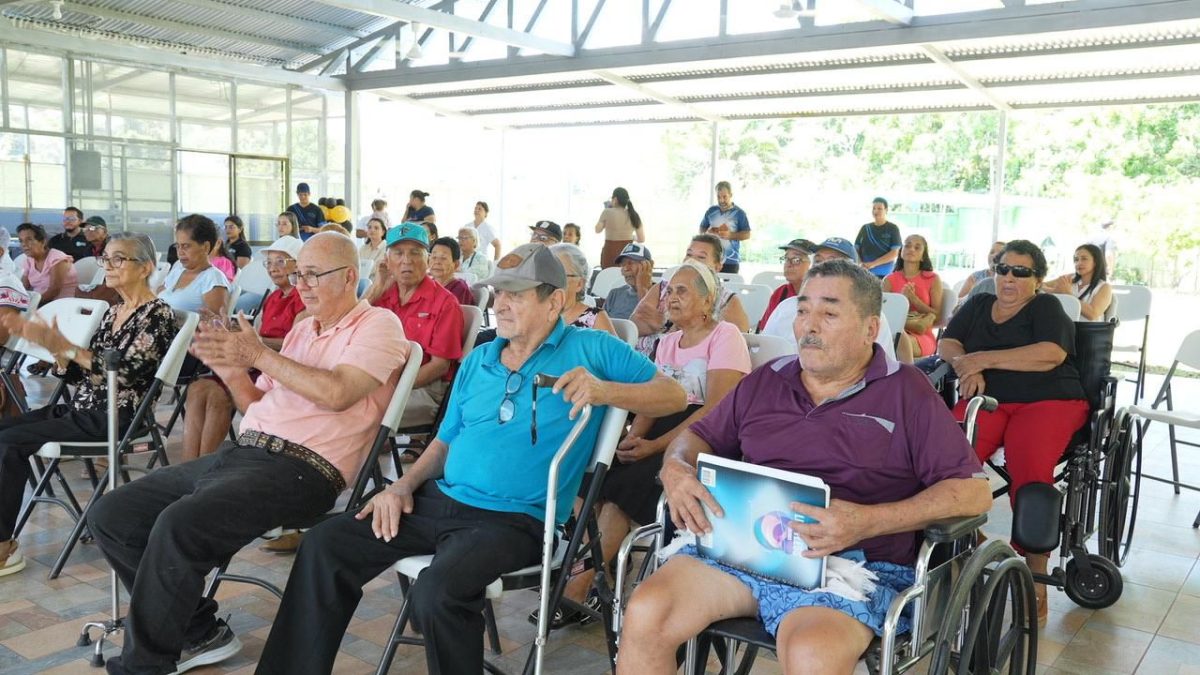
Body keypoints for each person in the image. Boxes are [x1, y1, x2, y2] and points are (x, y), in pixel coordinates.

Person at [256, 242, 686, 675]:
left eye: (515, 295)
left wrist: (605, 391)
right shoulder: (481, 356)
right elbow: (444, 442)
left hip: (515, 518)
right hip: (439, 500)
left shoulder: (593, 348)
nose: (500, 305)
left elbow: (673, 394)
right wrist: (402, 486)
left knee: (437, 591)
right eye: (498, 294)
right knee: (324, 545)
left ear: (554, 300)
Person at [617, 259, 992, 675]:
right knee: (647, 612)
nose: (808, 326)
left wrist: (867, 521)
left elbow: (972, 491)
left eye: (829, 313)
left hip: (850, 565)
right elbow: (697, 436)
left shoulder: (907, 392)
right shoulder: (767, 380)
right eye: (802, 310)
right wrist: (675, 468)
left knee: (812, 653)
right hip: (747, 547)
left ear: (870, 329)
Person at [87, 233, 408, 675]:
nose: (302, 285)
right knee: (113, 513)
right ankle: (199, 631)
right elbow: (257, 407)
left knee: (180, 525)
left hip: (305, 469)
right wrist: (234, 371)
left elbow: (338, 393)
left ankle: (144, 666)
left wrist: (258, 352)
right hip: (248, 452)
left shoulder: (378, 325)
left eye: (313, 274)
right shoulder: (301, 328)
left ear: (350, 276)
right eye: (299, 275)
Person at [546, 261, 751, 628]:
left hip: (704, 440)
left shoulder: (726, 335)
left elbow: (715, 410)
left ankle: (573, 590)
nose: (670, 297)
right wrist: (634, 437)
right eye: (669, 290)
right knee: (598, 474)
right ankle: (597, 578)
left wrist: (654, 446)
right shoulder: (668, 341)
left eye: (682, 291)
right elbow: (652, 401)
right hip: (660, 435)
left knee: (625, 492)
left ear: (708, 302)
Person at [0, 233, 176, 578]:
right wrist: (59, 354)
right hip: (82, 409)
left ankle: (3, 544)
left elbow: (123, 375)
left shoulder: (158, 315)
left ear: (146, 267)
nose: (108, 266)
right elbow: (82, 374)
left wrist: (66, 347)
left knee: (9, 444)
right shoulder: (113, 313)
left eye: (118, 259)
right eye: (105, 259)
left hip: (115, 416)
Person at [938, 239, 1089, 626]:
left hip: (1049, 400)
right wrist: (966, 367)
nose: (1009, 278)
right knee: (944, 458)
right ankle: (974, 543)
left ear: (1037, 279)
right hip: (990, 400)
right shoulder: (976, 305)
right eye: (1002, 269)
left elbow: (1050, 354)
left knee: (1029, 466)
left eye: (1021, 272)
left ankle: (1035, 574)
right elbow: (949, 342)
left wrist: (983, 359)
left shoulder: (1045, 307)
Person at [181, 236, 307, 463]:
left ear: (297, 265)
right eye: (269, 263)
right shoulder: (275, 296)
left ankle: (202, 467)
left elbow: (293, 345)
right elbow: (257, 334)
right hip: (252, 362)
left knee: (218, 395)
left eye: (280, 261)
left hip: (276, 370)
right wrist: (227, 328)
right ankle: (188, 466)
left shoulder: (304, 297)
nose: (272, 268)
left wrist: (248, 342)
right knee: (198, 388)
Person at [363, 223, 464, 433]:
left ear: (427, 259)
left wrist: (392, 386)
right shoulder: (383, 295)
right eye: (398, 253)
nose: (406, 260)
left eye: (415, 253)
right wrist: (376, 288)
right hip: (377, 381)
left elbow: (440, 366)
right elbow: (347, 325)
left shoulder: (445, 302)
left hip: (423, 388)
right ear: (387, 260)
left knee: (358, 411)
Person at [630, 234, 750, 348]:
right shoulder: (663, 288)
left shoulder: (726, 300)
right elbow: (633, 327)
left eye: (701, 257)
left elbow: (736, 343)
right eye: (689, 254)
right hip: (646, 355)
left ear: (717, 266)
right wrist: (653, 325)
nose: (691, 260)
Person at [157, 215, 230, 318]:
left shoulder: (213, 280)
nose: (180, 252)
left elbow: (217, 326)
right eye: (178, 246)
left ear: (205, 247)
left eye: (186, 246)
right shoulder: (178, 271)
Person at [883, 234, 944, 358]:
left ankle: (905, 377)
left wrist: (914, 299)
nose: (911, 249)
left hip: (922, 336)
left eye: (917, 247)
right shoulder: (889, 280)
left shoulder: (933, 279)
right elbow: (882, 312)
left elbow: (937, 316)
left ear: (923, 256)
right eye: (907, 246)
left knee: (896, 342)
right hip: (892, 331)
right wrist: (901, 301)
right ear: (901, 252)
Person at [551, 243, 615, 335]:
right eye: (546, 274)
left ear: (579, 284)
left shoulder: (594, 319)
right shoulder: (538, 314)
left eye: (560, 275)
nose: (550, 280)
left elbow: (615, 349)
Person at [1042, 243, 1112, 322]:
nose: (1078, 263)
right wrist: (1053, 291)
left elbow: (1093, 314)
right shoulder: (1069, 278)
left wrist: (1068, 294)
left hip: (1087, 332)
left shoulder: (1104, 287)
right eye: (1076, 259)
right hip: (1064, 328)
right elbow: (1041, 285)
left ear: (1095, 262)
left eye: (1084, 259)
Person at [758, 238, 814, 333]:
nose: (788, 264)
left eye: (796, 260)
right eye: (786, 259)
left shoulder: (821, 296)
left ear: (813, 265)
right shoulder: (781, 293)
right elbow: (765, 332)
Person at [17, 223, 77, 303]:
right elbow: (23, 288)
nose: (24, 244)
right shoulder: (29, 261)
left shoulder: (57, 258)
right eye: (21, 241)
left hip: (62, 304)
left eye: (29, 239)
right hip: (39, 303)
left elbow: (53, 291)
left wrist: (29, 304)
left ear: (43, 242)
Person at [699, 181, 751, 274]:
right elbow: (702, 228)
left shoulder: (739, 213)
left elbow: (747, 234)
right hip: (711, 259)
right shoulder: (711, 211)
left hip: (731, 260)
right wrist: (706, 234)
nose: (721, 200)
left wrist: (730, 235)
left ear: (731, 195)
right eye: (718, 197)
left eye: (724, 197)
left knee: (730, 287)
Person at [604, 243, 654, 322]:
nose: (626, 268)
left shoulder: (664, 293)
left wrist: (641, 287)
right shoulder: (615, 293)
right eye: (623, 264)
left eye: (631, 263)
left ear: (649, 265)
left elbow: (650, 323)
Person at [595, 187, 645, 268]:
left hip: (609, 254)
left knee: (608, 277)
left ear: (615, 199)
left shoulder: (607, 212)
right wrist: (630, 236)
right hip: (627, 255)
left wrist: (607, 210)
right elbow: (641, 239)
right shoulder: (634, 215)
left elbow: (597, 230)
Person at [855, 197, 902, 278]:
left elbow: (894, 253)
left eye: (880, 208)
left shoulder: (893, 228)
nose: (876, 211)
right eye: (874, 208)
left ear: (886, 210)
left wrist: (873, 264)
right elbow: (855, 248)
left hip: (885, 275)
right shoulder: (865, 228)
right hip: (864, 274)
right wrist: (860, 264)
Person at [428, 236, 475, 305]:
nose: (437, 262)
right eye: (434, 257)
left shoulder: (459, 289)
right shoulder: (427, 285)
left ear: (456, 265)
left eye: (443, 258)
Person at [358, 218, 388, 282]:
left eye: (376, 228)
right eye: (369, 227)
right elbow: (357, 265)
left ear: (383, 232)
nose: (372, 230)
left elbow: (378, 268)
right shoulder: (363, 248)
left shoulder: (387, 248)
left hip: (379, 283)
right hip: (361, 282)